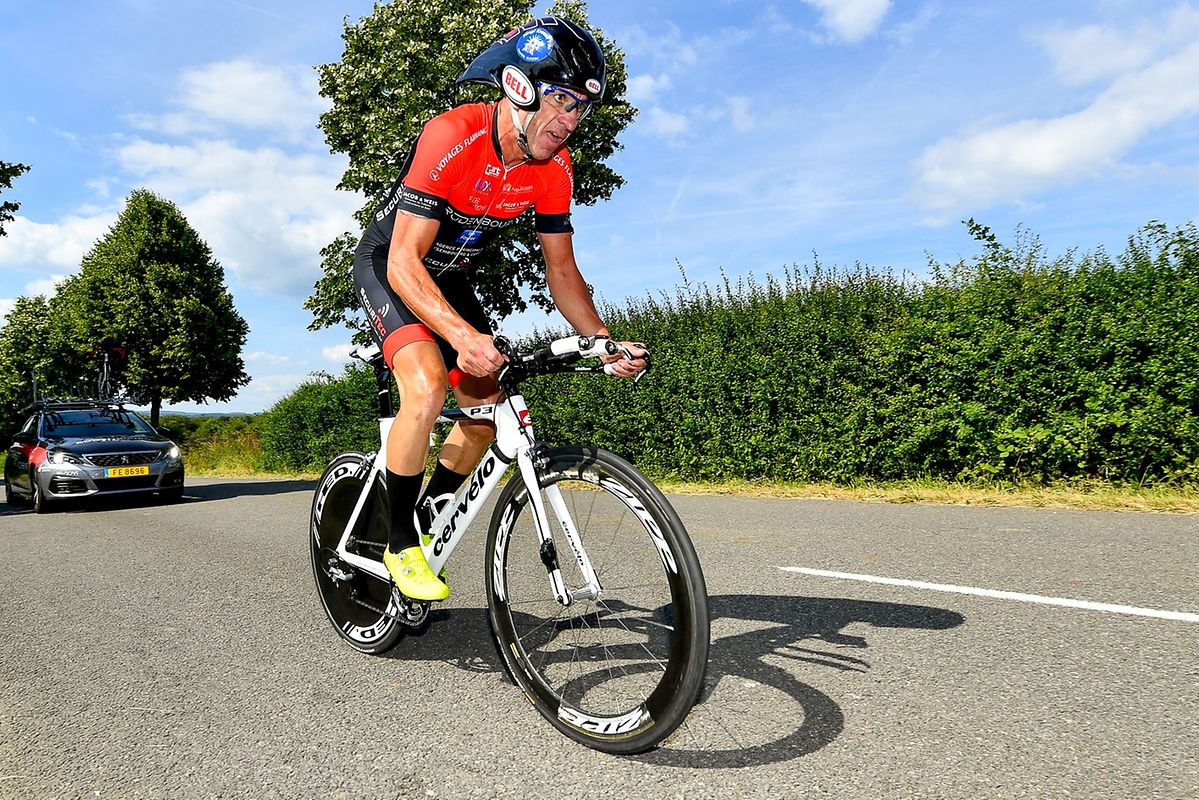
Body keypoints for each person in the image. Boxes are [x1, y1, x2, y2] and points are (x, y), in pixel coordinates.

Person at [353, 16, 648, 602]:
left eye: (580, 110)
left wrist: (603, 340)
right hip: (393, 265)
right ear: (519, 87)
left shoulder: (554, 171)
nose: (569, 122)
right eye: (560, 100)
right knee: (429, 384)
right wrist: (461, 337)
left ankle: (428, 509)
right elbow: (405, 264)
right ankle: (397, 541)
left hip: (453, 278)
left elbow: (561, 272)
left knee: (487, 413)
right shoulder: (451, 136)